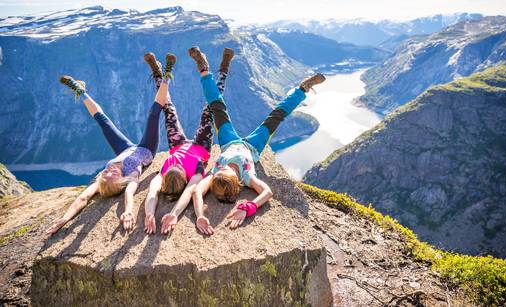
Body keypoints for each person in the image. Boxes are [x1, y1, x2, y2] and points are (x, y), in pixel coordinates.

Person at [188, 46, 325, 235]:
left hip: (228, 141)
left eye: (222, 171)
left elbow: (196, 192)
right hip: (253, 146)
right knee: (276, 116)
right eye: (228, 172)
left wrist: (200, 215)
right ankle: (303, 89)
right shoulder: (247, 177)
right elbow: (267, 192)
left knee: (217, 106)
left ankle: (204, 70)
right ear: (237, 182)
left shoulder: (215, 176)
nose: (225, 168)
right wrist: (249, 207)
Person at [44, 55, 169, 235]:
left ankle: (80, 90)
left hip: (124, 149)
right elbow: (129, 194)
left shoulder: (103, 180)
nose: (109, 171)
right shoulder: (131, 174)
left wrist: (66, 218)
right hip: (146, 149)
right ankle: (166, 76)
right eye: (112, 175)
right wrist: (128, 211)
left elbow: (84, 197)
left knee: (103, 121)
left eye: (106, 173)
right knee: (153, 114)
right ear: (121, 180)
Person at [142, 48, 235, 235]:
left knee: (168, 108)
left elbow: (152, 193)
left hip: (177, 145)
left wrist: (149, 214)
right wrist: (175, 213)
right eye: (180, 172)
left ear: (166, 176)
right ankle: (221, 70)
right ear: (185, 178)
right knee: (211, 109)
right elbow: (190, 192)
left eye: (172, 171)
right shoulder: (197, 172)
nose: (176, 167)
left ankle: (158, 74)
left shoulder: (165, 172)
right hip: (201, 146)